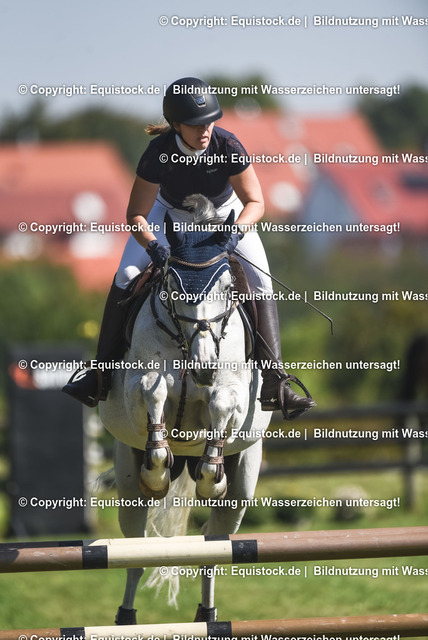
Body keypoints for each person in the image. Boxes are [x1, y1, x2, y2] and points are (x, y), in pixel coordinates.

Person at [63, 77, 315, 419]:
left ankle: (275, 382)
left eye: (209, 122)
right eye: (196, 125)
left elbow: (255, 202)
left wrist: (235, 234)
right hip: (170, 216)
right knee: (126, 273)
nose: (205, 130)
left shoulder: (228, 145)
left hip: (224, 215)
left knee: (260, 281)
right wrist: (153, 246)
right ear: (176, 124)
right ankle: (101, 374)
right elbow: (136, 214)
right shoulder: (158, 153)